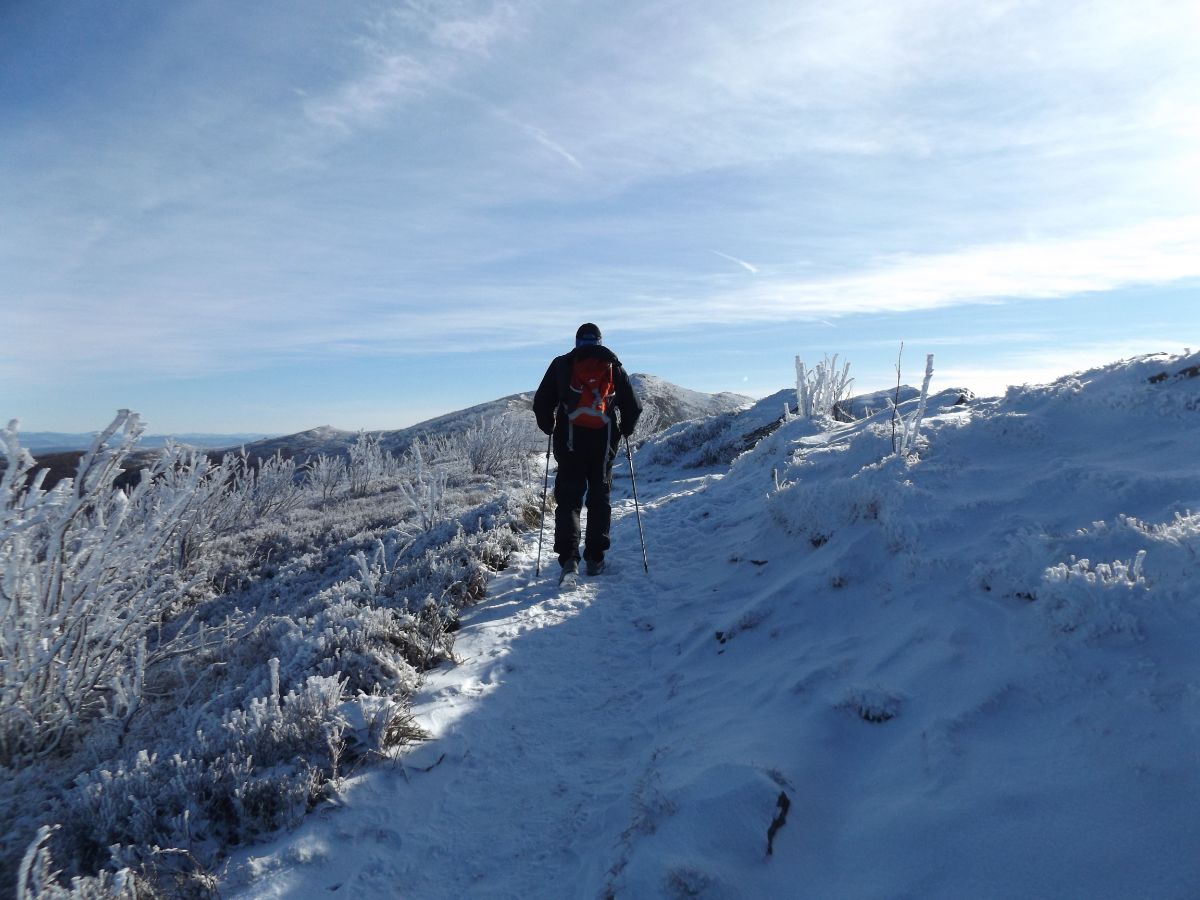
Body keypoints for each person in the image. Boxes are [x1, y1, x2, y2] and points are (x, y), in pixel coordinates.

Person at [533, 323, 642, 581]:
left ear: (577, 341)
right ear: (600, 342)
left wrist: (548, 426)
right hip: (603, 444)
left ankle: (569, 560)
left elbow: (541, 403)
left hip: (569, 443)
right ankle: (595, 558)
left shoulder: (562, 364)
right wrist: (625, 429)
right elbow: (633, 407)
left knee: (569, 501)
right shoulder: (613, 366)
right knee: (599, 499)